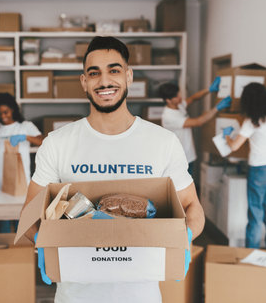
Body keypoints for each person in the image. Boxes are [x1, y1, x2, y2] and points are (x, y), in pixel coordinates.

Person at [22, 36, 205, 303]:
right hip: (76, 295)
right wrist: (43, 242)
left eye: (114, 70)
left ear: (129, 76)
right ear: (84, 82)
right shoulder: (57, 144)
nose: (104, 81)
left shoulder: (162, 142)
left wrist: (185, 237)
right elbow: (30, 213)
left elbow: (192, 206)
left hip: (141, 294)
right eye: (94, 73)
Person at [223, 82, 266, 251]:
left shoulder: (251, 121)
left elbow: (234, 146)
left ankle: (251, 256)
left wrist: (226, 136)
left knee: (255, 214)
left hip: (258, 169)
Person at [0, 93, 43, 233]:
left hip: (20, 180)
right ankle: (7, 252)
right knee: (3, 219)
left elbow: (43, 141)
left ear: (13, 110)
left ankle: (21, 251)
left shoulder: (25, 126)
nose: (3, 116)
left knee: (21, 218)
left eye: (6, 112)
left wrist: (25, 137)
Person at [159, 80, 232, 176]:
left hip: (188, 156)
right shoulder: (169, 116)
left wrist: (209, 90)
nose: (180, 97)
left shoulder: (178, 105)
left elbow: (193, 98)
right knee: (182, 188)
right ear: (168, 100)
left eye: (179, 94)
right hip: (179, 160)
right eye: (176, 97)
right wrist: (217, 108)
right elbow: (198, 122)